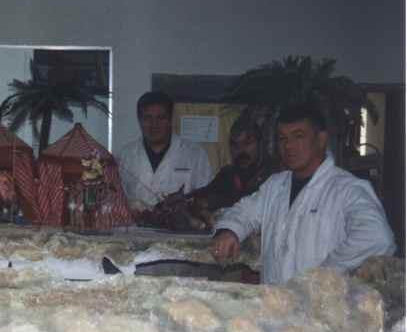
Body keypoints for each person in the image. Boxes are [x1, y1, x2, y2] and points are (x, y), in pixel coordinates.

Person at [211, 103, 395, 284]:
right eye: (282, 138)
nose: (289, 146)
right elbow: (244, 211)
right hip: (274, 299)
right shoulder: (275, 185)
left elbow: (377, 238)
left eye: (298, 136)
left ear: (321, 139)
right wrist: (230, 231)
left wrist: (326, 273)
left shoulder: (347, 189)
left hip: (320, 300)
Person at [117, 91, 212, 211]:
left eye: (160, 118)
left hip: (181, 222)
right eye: (147, 118)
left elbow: (205, 198)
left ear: (170, 120)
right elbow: (117, 199)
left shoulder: (195, 154)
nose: (154, 125)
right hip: (135, 223)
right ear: (139, 120)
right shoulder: (125, 155)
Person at [190, 112, 277, 226]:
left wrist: (216, 203)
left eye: (247, 143)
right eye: (234, 145)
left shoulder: (274, 175)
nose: (240, 151)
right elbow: (201, 197)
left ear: (260, 144)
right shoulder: (227, 174)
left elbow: (253, 207)